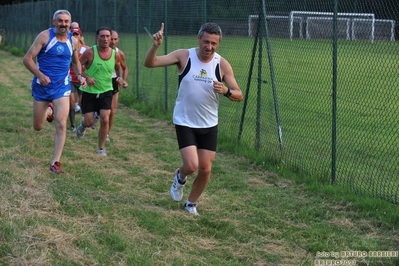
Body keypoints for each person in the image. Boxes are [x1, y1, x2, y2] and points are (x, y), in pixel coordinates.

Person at [144, 22, 243, 215]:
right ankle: (180, 177)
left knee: (205, 169)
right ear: (199, 39)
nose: (209, 47)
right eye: (206, 42)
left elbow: (239, 95)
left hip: (209, 123)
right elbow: (150, 63)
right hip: (185, 120)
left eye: (214, 43)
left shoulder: (221, 64)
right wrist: (155, 46)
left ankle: (191, 204)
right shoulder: (184, 56)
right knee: (191, 165)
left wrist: (226, 90)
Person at [23, 9, 87, 173]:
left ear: (69, 23)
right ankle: (49, 111)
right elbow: (27, 59)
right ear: (54, 22)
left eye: (66, 21)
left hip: (62, 87)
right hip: (42, 87)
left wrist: (79, 76)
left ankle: (55, 162)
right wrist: (40, 75)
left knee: (61, 123)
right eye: (60, 21)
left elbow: (75, 62)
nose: (63, 24)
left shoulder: (73, 41)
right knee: (38, 126)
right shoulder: (45, 36)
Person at [76, 27, 124, 156]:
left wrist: (120, 78)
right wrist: (86, 77)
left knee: (104, 119)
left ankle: (101, 148)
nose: (105, 39)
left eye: (108, 36)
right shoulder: (90, 52)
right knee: (89, 121)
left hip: (106, 90)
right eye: (102, 36)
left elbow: (119, 68)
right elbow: (77, 66)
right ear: (97, 38)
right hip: (89, 91)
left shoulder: (115, 54)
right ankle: (82, 125)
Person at [107, 30, 129, 141]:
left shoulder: (119, 53)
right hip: (100, 82)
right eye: (112, 39)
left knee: (112, 110)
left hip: (114, 82)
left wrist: (124, 80)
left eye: (116, 39)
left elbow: (125, 68)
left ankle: (106, 134)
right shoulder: (98, 51)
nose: (113, 41)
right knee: (102, 110)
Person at [68, 27, 88, 131]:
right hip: (70, 79)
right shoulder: (67, 47)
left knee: (81, 104)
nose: (75, 36)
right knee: (71, 103)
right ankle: (72, 125)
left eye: (77, 34)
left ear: (80, 37)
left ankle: (84, 124)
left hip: (81, 80)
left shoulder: (86, 50)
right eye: (73, 34)